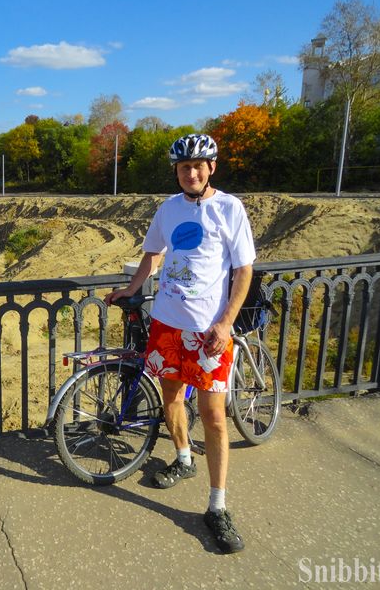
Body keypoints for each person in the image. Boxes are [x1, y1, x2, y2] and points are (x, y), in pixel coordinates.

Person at [105, 133, 255, 554]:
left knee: (215, 417)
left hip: (209, 331)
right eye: (183, 167)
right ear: (177, 172)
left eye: (198, 166)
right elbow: (152, 255)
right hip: (167, 324)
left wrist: (226, 323)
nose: (190, 173)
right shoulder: (168, 209)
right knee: (170, 397)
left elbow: (244, 271)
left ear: (211, 169)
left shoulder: (230, 208)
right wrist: (131, 288)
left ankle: (217, 506)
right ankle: (184, 459)